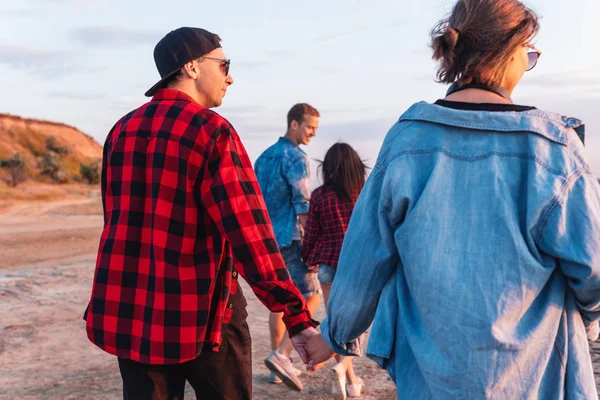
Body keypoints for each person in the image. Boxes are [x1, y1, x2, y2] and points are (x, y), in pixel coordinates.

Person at [304, 0, 600, 398]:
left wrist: (334, 335)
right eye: (529, 54)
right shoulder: (553, 150)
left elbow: (364, 261)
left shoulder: (407, 141)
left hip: (431, 377)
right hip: (536, 375)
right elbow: (593, 272)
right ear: (509, 52)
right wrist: (588, 317)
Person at [83, 27, 319, 400]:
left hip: (132, 308)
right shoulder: (212, 132)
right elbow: (250, 236)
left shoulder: (121, 130)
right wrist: (296, 315)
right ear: (192, 67)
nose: (230, 76)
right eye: (224, 64)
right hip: (203, 314)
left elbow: (117, 219)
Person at [254, 103, 321, 391]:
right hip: (292, 237)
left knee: (280, 298)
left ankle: (276, 368)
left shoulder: (264, 157)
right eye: (309, 127)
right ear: (294, 124)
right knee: (312, 295)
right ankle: (282, 355)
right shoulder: (296, 157)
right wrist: (312, 242)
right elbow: (302, 203)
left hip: (267, 240)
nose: (312, 134)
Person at [301, 142, 368, 399]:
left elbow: (312, 234)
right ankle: (344, 368)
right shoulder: (364, 194)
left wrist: (308, 258)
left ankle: (349, 380)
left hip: (329, 266)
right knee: (354, 324)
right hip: (358, 267)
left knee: (336, 323)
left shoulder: (319, 196)